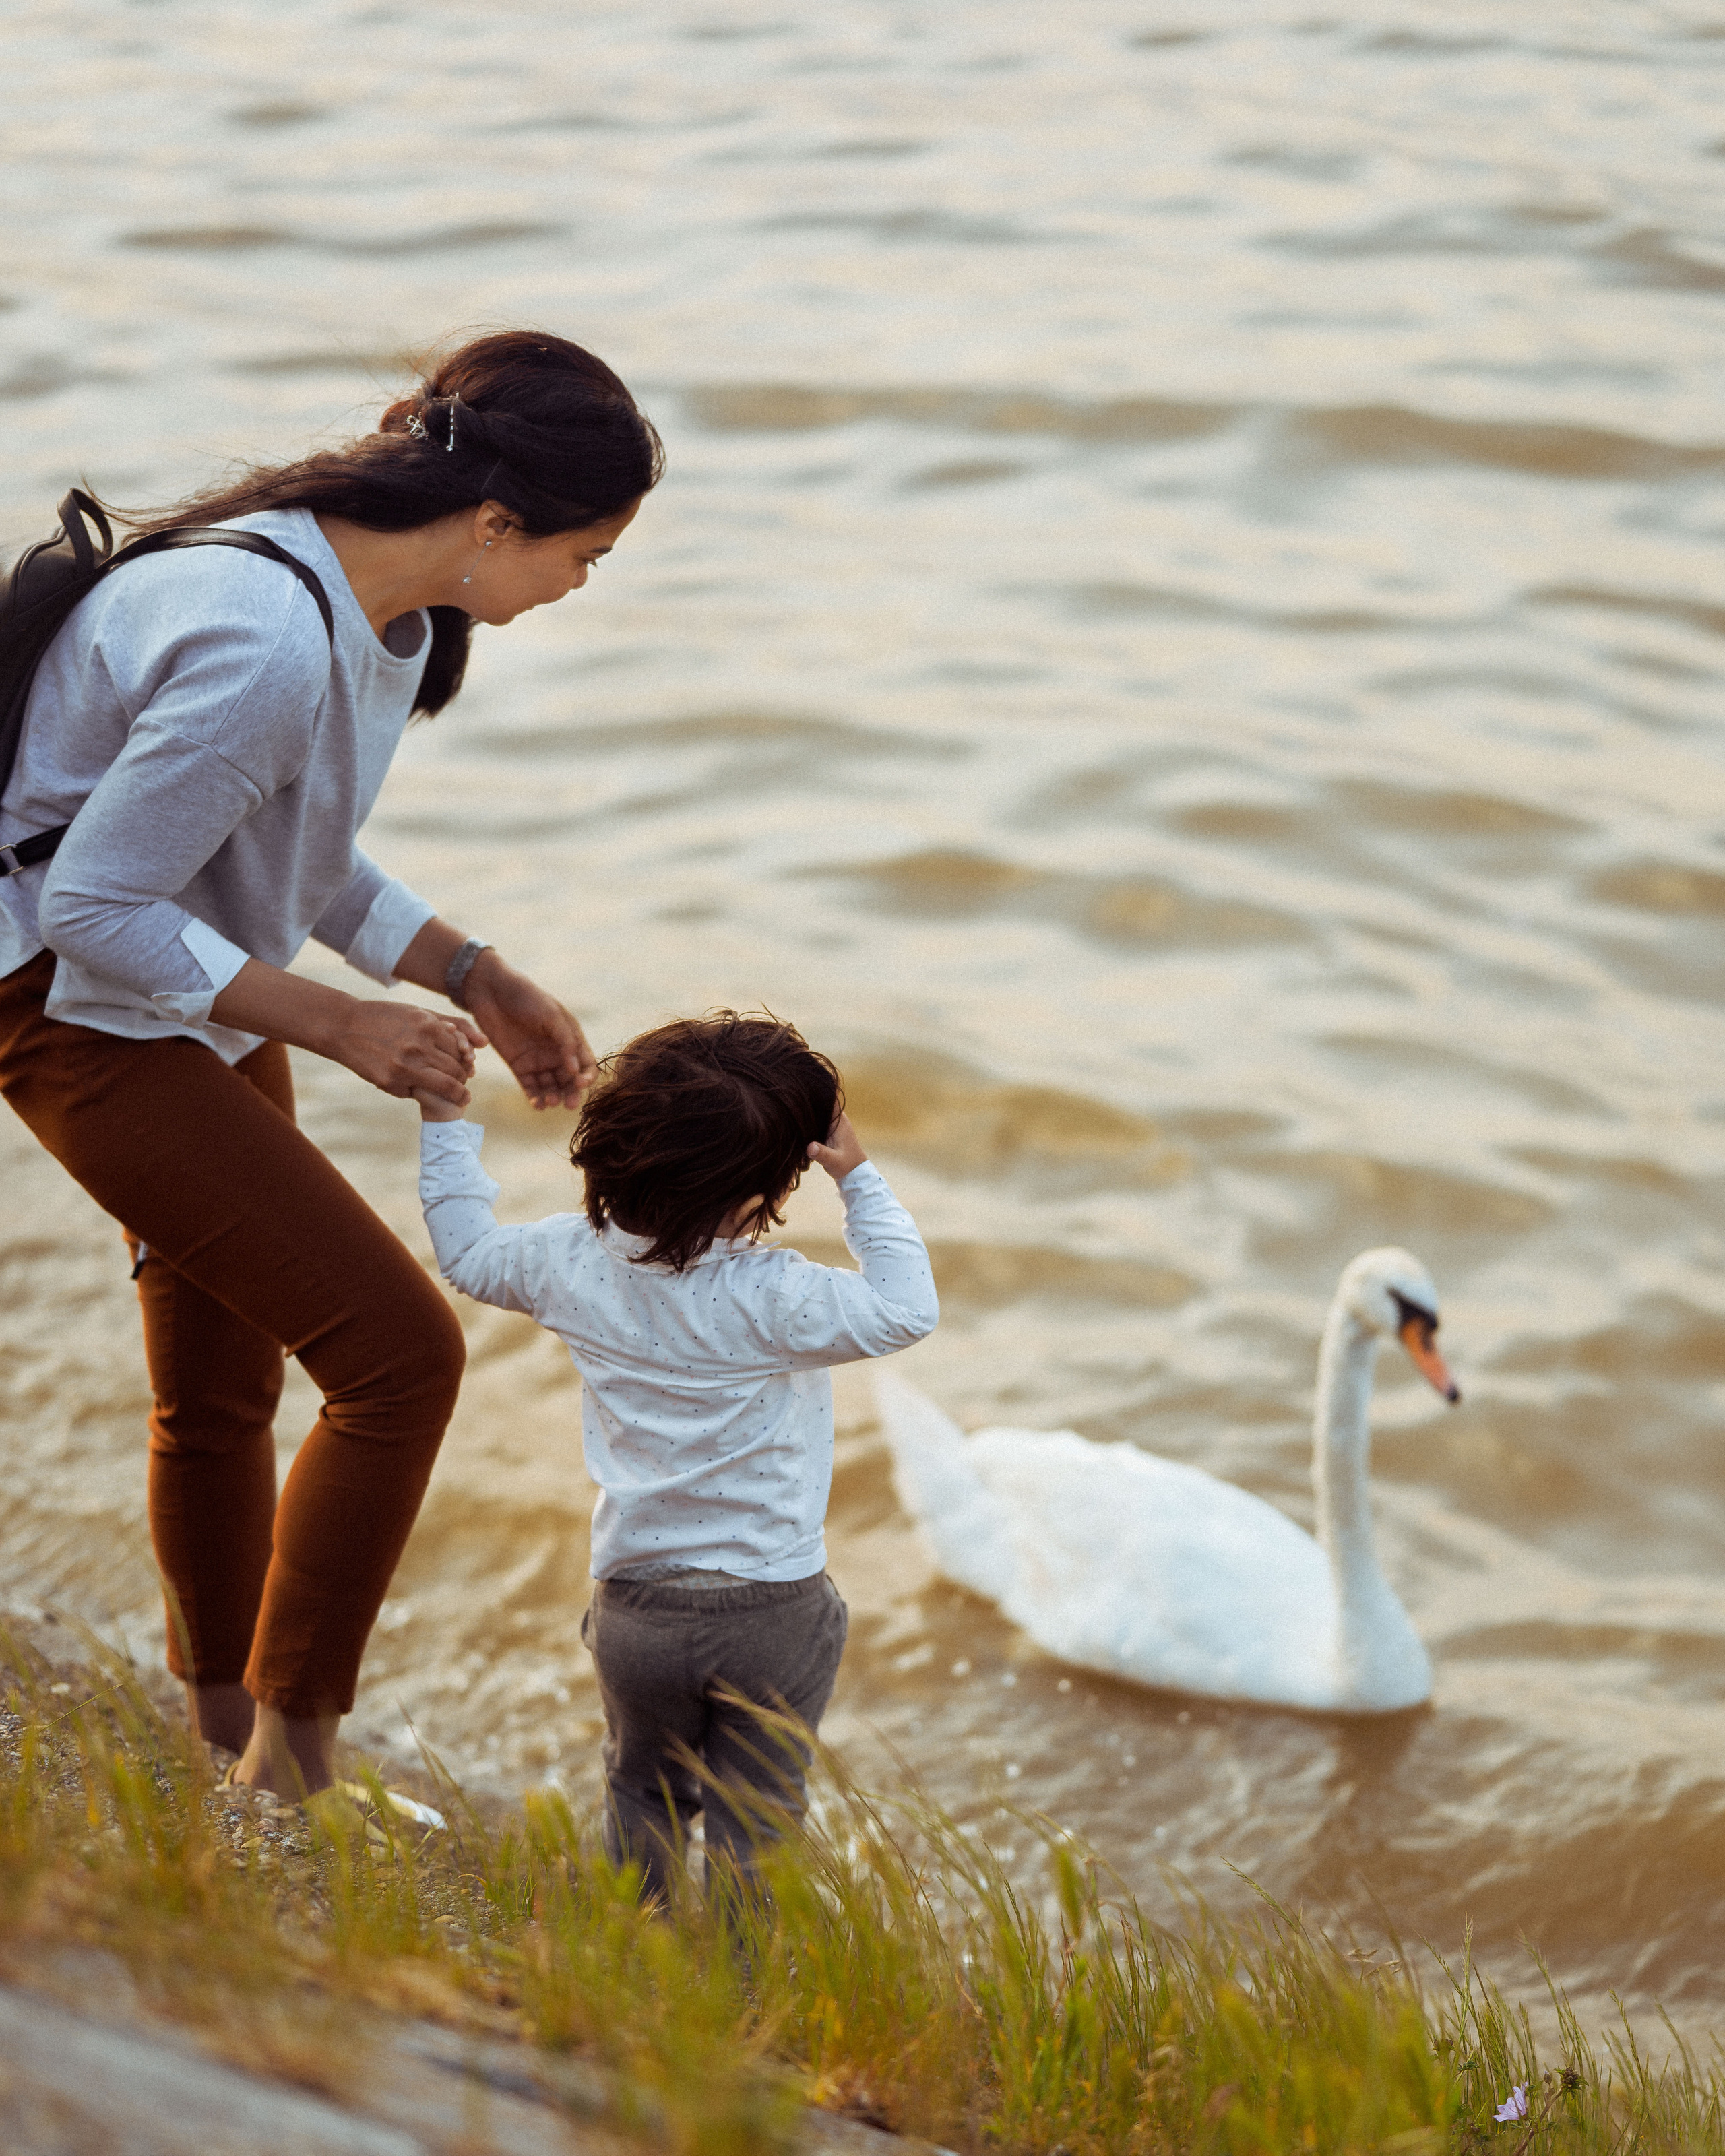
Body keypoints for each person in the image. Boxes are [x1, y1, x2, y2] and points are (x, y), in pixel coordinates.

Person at [0, 331, 661, 1798]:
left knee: (219, 1379)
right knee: (399, 1358)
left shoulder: (378, 611)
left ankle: (218, 1740)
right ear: (499, 521)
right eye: (586, 555)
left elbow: (282, 845)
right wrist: (341, 1022)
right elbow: (93, 906)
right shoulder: (268, 638)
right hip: (63, 998)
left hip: (175, 982)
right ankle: (290, 1773)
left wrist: (471, 969)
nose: (579, 586)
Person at [414, 1011, 939, 1899]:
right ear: (757, 1195)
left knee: (640, 1794)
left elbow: (464, 1253)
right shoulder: (775, 1295)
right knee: (758, 1822)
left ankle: (642, 1948)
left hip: (638, 1613)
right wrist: (859, 1179)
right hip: (772, 1612)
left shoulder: (567, 1263)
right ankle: (741, 1972)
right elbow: (906, 1308)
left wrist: (445, 1122)